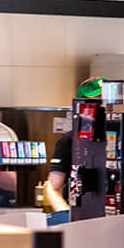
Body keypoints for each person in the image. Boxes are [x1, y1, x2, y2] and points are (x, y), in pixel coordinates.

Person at [45, 79, 104, 215]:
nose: (102, 105)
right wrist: (65, 214)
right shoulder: (69, 140)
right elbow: (53, 187)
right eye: (96, 99)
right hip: (84, 217)